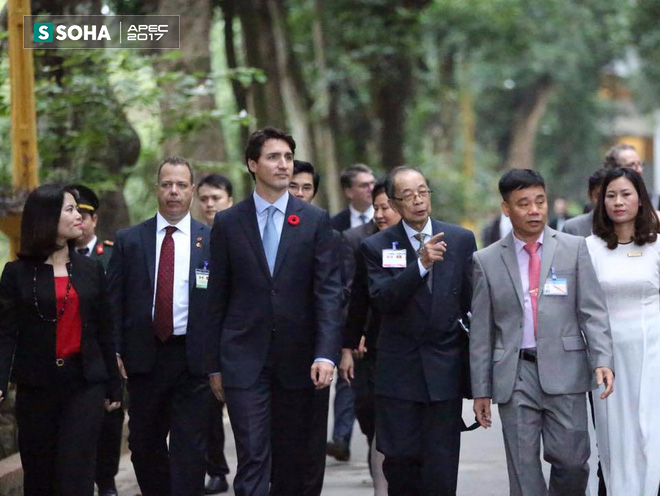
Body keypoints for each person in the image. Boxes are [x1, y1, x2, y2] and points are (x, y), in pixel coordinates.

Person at [206, 127, 342, 496]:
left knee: (291, 459)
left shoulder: (314, 220)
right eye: (272, 157)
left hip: (299, 361)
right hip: (243, 359)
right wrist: (214, 364)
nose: (283, 165)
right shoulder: (229, 222)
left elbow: (328, 293)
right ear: (252, 164)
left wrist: (325, 353)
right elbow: (215, 297)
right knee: (252, 455)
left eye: (287, 157)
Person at [470, 168, 615, 496]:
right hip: (515, 372)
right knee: (523, 468)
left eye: (540, 201)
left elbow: (592, 312)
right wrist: (481, 389)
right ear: (507, 209)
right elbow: (480, 331)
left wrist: (602, 359)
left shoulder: (573, 248)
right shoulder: (486, 260)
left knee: (573, 460)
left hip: (566, 369)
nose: (534, 210)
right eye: (524, 204)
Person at [360, 166, 476, 496]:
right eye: (408, 195)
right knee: (401, 467)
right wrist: (421, 265)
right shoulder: (376, 246)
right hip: (398, 375)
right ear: (394, 204)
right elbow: (383, 300)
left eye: (423, 192)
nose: (418, 201)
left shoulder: (460, 239)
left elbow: (472, 306)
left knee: (441, 471)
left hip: (444, 371)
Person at [0, 184, 121, 496]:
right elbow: (6, 332)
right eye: (70, 209)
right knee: (40, 476)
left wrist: (112, 385)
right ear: (46, 219)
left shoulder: (91, 269)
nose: (78, 215)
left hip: (83, 385)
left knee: (75, 474)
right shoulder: (16, 273)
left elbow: (104, 331)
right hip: (36, 387)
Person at [107, 157, 212, 496]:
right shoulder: (129, 240)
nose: (173, 192)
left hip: (192, 358)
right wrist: (117, 349)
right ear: (156, 189)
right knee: (143, 443)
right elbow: (114, 301)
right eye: (167, 184)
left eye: (181, 185)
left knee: (190, 446)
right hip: (145, 356)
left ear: (192, 191)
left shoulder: (211, 239)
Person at [586, 167, 660, 496]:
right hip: (608, 355)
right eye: (611, 196)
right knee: (616, 435)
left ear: (641, 200)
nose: (618, 202)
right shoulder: (588, 247)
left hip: (653, 350)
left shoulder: (657, 243)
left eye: (626, 194)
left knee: (652, 431)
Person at [340, 178, 401, 496]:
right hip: (367, 346)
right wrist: (349, 345)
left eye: (386, 207)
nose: (379, 214)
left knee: (387, 424)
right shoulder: (357, 242)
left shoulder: (418, 244)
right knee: (368, 414)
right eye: (376, 207)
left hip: (401, 348)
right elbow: (351, 295)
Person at [68, 184, 123, 496]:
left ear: (94, 219)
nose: (79, 219)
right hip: (70, 352)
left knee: (109, 418)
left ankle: (107, 480)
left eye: (84, 214)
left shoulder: (112, 254)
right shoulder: (50, 259)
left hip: (106, 351)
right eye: (72, 211)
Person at [328, 162, 376, 461]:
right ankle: (340, 439)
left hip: (378, 317)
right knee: (347, 380)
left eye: (373, 183)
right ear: (348, 191)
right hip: (348, 315)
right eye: (363, 184)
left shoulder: (392, 222)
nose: (370, 189)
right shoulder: (335, 224)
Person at [194, 174, 234, 495]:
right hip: (205, 338)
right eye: (204, 198)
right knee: (208, 411)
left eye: (216, 198)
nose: (209, 204)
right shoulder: (196, 240)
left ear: (229, 200)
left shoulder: (242, 235)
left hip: (239, 337)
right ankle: (217, 470)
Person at [562, 169, 607, 238]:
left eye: (610, 196)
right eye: (598, 196)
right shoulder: (573, 228)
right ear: (590, 195)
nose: (604, 201)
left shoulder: (625, 227)